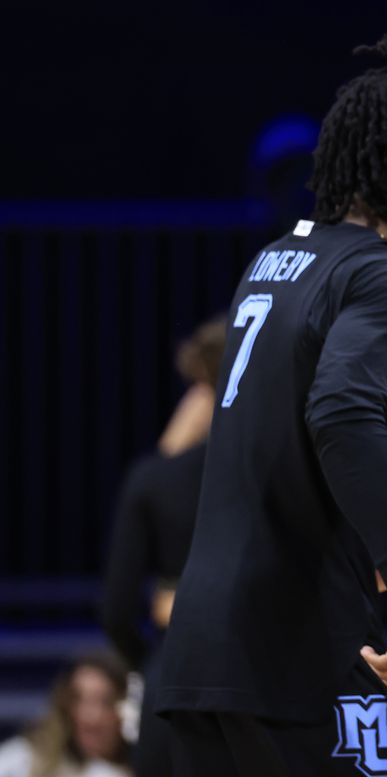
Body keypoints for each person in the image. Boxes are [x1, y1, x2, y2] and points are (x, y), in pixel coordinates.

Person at [156, 19, 387, 776]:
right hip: (301, 644)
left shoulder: (278, 260)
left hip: (203, 653)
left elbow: (314, 395)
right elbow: (340, 411)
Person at [101, 315, 226, 777]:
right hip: (265, 678)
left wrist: (152, 662)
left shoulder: (153, 480)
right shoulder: (287, 468)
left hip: (171, 680)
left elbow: (115, 611)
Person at [0, 652, 132, 777]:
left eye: (105, 702)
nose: (92, 717)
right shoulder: (22, 758)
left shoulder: (142, 767)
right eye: (80, 700)